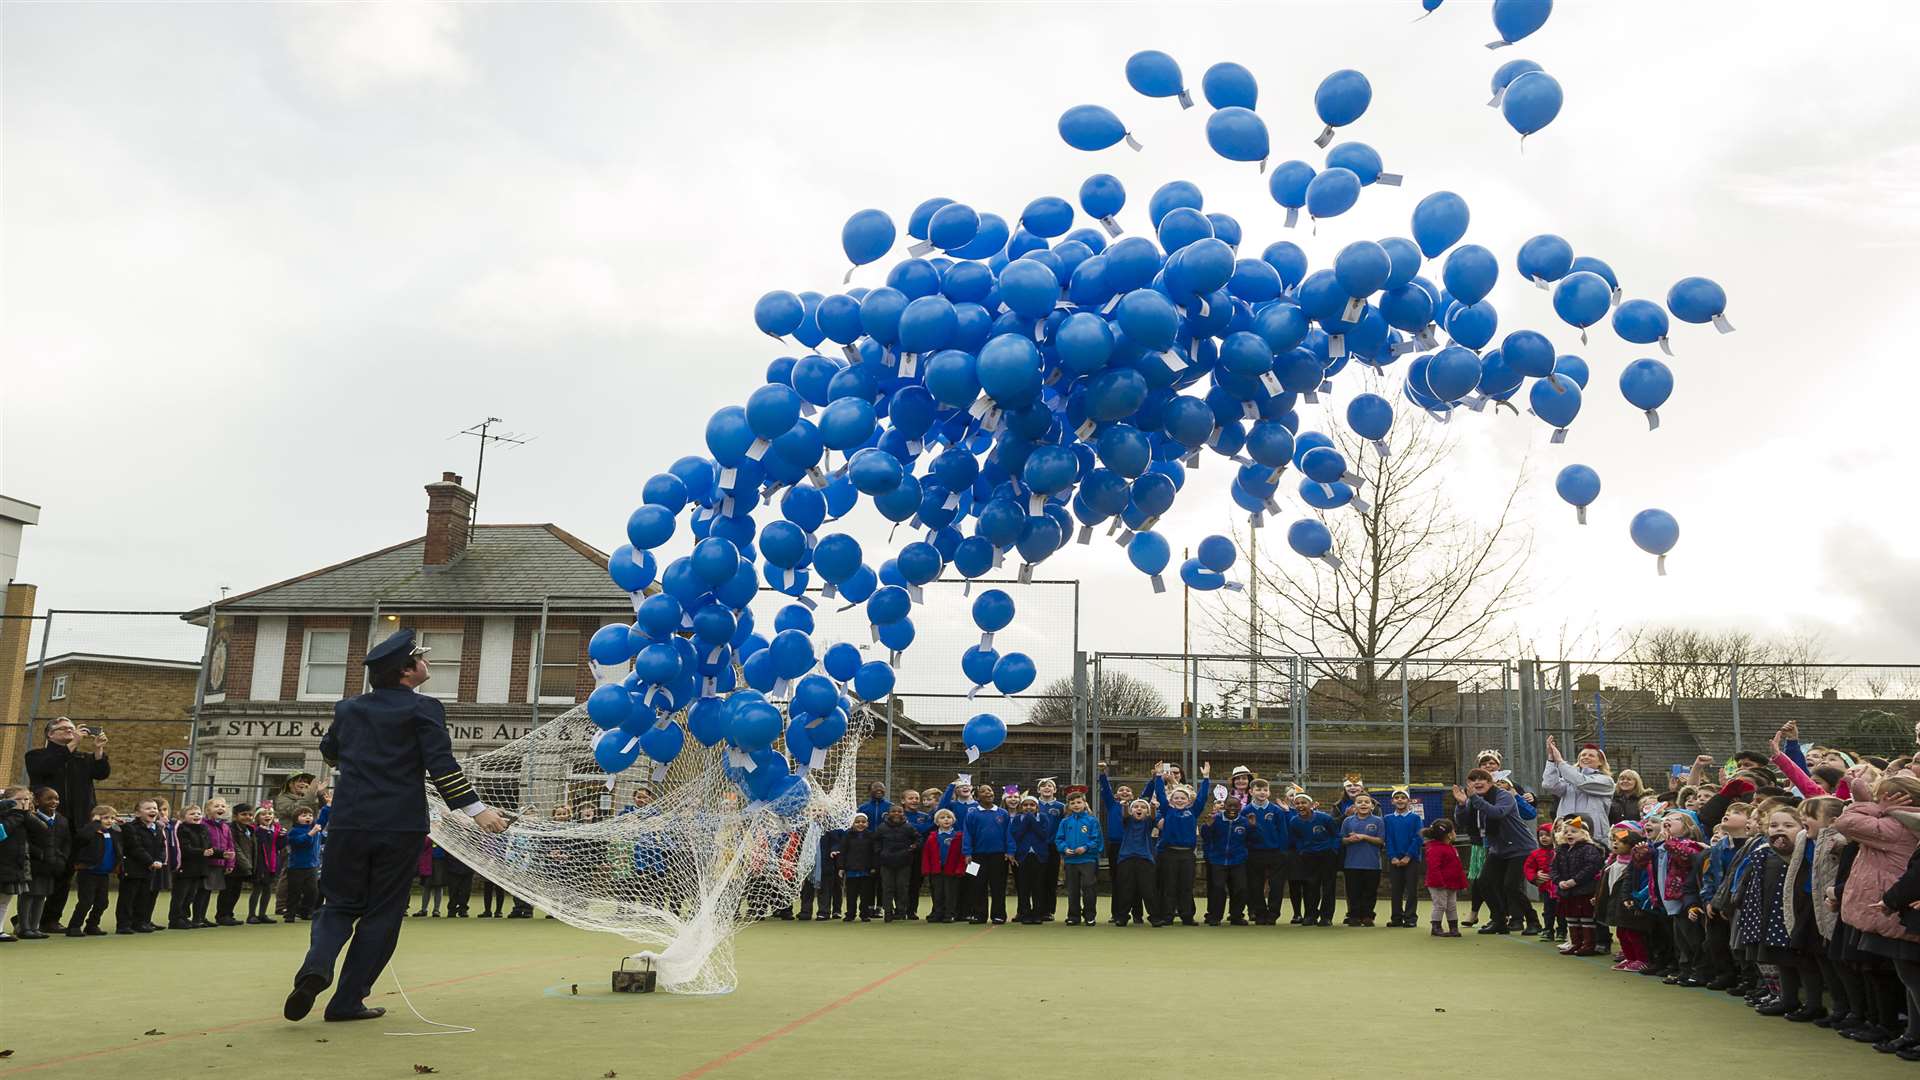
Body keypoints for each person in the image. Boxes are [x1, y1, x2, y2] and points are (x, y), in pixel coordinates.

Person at [284, 629, 508, 1025]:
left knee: (337, 905)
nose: (426, 662)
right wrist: (477, 810)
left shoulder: (348, 709)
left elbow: (330, 751)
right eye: (420, 658)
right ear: (406, 672)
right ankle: (346, 1001)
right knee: (382, 914)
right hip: (399, 824)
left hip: (349, 821)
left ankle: (314, 970)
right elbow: (441, 765)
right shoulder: (424, 709)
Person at [24, 717, 109, 930]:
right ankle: (26, 919)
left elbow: (101, 773)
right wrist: (72, 744)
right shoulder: (36, 756)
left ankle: (50, 918)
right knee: (44, 870)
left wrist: (98, 751)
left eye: (71, 729)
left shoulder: (81, 758)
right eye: (62, 729)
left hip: (79, 821)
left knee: (67, 871)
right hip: (48, 821)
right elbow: (47, 768)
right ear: (50, 735)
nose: (69, 731)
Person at [1453, 769, 1536, 935]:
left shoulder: (1503, 795)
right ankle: (1499, 920)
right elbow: (1463, 821)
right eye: (1473, 779)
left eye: (1482, 779)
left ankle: (1533, 921)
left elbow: (1497, 813)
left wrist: (1474, 799)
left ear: (1490, 782)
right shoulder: (1473, 800)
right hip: (1498, 849)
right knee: (1484, 882)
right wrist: (1462, 804)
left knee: (1510, 886)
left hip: (1520, 847)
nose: (1477, 782)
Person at [1144, 761, 1211, 927]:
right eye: (1176, 798)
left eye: (1183, 798)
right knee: (1169, 886)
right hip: (1169, 853)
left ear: (1188, 800)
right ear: (1171, 800)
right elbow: (1159, 793)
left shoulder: (1193, 811)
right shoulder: (1167, 810)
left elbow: (1202, 797)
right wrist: (1159, 776)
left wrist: (1206, 778)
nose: (1180, 800)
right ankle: (1167, 916)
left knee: (1186, 886)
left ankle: (1187, 916)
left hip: (1187, 854)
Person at [15, 787, 69, 939]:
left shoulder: (62, 820)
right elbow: (25, 840)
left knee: (41, 895)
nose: (54, 802)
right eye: (49, 799)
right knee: (28, 895)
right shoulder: (30, 818)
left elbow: (66, 843)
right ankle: (24, 927)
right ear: (37, 802)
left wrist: (60, 859)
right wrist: (40, 854)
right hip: (34, 864)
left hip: (50, 865)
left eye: (56, 799)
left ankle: (35, 927)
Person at [1549, 815, 1607, 957]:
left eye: (1574, 831)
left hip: (1584, 890)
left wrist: (1574, 881)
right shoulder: (1561, 850)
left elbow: (1591, 867)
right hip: (1566, 891)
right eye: (1566, 831)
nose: (1569, 834)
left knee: (1586, 917)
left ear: (1584, 834)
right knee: (1571, 916)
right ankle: (1575, 943)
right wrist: (1558, 881)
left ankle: (1588, 944)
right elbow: (1553, 868)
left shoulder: (1589, 849)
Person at [1542, 735, 1615, 842]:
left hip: (1593, 835)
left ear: (1600, 762)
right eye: (1583, 755)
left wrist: (1560, 762)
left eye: (1591, 755)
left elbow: (1581, 782)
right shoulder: (1569, 779)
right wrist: (1551, 760)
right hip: (1566, 833)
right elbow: (1549, 784)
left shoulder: (1606, 781)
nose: (1586, 757)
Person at [1096, 764, 1144, 925]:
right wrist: (1103, 773)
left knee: (1136, 880)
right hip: (1116, 847)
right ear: (1116, 795)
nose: (1124, 792)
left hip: (1133, 847)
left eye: (1128, 790)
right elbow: (1105, 788)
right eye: (1121, 790)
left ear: (1133, 795)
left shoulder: (1137, 807)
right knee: (1117, 880)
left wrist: (1155, 778)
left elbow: (1148, 793)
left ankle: (1137, 914)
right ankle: (1116, 913)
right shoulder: (1112, 804)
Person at [959, 784, 1010, 925]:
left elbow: (1008, 834)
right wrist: (967, 853)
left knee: (998, 886)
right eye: (983, 791)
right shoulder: (972, 814)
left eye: (990, 790)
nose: (988, 793)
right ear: (977, 796)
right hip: (976, 856)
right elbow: (967, 835)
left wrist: (1010, 851)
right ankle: (978, 915)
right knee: (976, 885)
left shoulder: (1003, 813)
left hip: (999, 856)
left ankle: (998, 915)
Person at [66, 804, 119, 936]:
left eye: (112, 818)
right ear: (95, 819)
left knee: (103, 902)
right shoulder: (90, 832)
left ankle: (92, 925)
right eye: (105, 818)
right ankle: (74, 926)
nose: (109, 821)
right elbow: (82, 838)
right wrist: (94, 823)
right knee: (86, 901)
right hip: (88, 872)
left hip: (104, 874)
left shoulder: (112, 833)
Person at [1242, 778, 1289, 926]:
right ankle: (1260, 912)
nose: (1262, 793)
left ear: (1269, 792)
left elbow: (1283, 832)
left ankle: (1273, 913)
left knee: (1276, 885)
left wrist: (1282, 851)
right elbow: (1243, 833)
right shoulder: (1245, 811)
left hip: (1275, 852)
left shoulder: (1276, 811)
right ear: (1251, 792)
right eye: (1258, 789)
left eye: (1265, 790)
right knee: (1255, 885)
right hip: (1254, 853)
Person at [1289, 792, 1340, 927]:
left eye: (1304, 803)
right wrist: (1302, 850)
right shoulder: (1294, 821)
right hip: (1308, 856)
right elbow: (1296, 838)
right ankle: (1310, 915)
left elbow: (1336, 835)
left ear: (1311, 805)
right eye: (1297, 803)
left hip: (1327, 855)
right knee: (1310, 886)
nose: (1301, 805)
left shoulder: (1325, 818)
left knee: (1328, 887)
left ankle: (1326, 917)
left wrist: (1333, 850)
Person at [116, 799, 165, 934]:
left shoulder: (158, 828)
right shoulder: (131, 828)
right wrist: (150, 861)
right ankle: (123, 924)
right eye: (148, 808)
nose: (153, 811)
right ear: (137, 813)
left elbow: (162, 847)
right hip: (132, 869)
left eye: (155, 808)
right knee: (128, 897)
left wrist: (160, 860)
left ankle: (139, 922)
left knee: (144, 897)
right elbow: (135, 848)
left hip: (149, 870)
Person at [1109, 797, 1160, 928]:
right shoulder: (1128, 820)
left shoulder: (1149, 821)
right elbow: (1125, 814)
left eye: (1143, 807)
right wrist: (1125, 806)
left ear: (1147, 812)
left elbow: (1154, 817)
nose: (1139, 809)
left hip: (1145, 859)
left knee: (1148, 890)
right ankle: (1122, 917)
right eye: (1136, 807)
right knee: (1125, 889)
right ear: (1131, 811)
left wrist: (1153, 807)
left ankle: (1154, 917)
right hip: (1126, 859)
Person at [1200, 794, 1249, 926]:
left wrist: (1254, 827)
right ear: (1224, 806)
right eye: (1229, 806)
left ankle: (1236, 916)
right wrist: (1207, 827)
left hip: (1238, 861)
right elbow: (1206, 838)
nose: (1232, 808)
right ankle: (1215, 916)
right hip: (1218, 860)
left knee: (1240, 888)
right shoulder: (1215, 820)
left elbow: (1251, 839)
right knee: (1217, 888)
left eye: (1235, 806)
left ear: (1240, 807)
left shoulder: (1245, 822)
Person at [1054, 792, 1100, 927]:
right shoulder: (1065, 822)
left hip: (1088, 860)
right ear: (1068, 805)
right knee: (1072, 889)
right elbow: (1059, 839)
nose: (1076, 805)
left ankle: (1089, 915)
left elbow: (1096, 840)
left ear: (1085, 804)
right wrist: (1064, 849)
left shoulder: (1092, 821)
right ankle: (1073, 916)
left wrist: (1086, 848)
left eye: (1079, 802)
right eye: (1072, 803)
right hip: (1070, 861)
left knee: (1088, 887)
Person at [1339, 793, 1386, 927]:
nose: (1363, 804)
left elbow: (1381, 841)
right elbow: (1342, 840)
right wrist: (1349, 839)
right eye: (1360, 802)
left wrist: (1364, 837)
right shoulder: (1348, 821)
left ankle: (1367, 916)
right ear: (1354, 806)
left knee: (1370, 892)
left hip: (1372, 864)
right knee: (1353, 892)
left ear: (1372, 806)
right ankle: (1354, 916)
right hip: (1351, 864)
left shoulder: (1378, 821)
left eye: (1367, 802)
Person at [0, 786, 40, 941]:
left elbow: (43, 832)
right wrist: (16, 815)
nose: (24, 802)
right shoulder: (8, 816)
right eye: (19, 799)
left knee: (4, 899)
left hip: (12, 864)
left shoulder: (26, 817)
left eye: (27, 799)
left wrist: (25, 815)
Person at [1383, 788, 1424, 928]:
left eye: (1403, 797)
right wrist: (1393, 856)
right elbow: (1388, 839)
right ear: (1392, 801)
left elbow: (1418, 837)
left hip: (1411, 859)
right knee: (1396, 889)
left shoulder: (1415, 818)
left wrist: (1408, 856)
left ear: (1408, 801)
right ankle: (1396, 918)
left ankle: (1410, 918)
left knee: (1412, 889)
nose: (1400, 800)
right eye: (1397, 798)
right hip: (1394, 859)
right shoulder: (1388, 819)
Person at [873, 806, 920, 922]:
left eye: (899, 811)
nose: (896, 813)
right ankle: (888, 912)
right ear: (888, 813)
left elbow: (918, 839)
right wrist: (880, 852)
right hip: (886, 862)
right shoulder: (882, 827)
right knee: (887, 888)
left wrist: (913, 848)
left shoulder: (908, 827)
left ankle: (901, 912)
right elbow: (875, 841)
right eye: (893, 811)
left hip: (904, 862)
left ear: (903, 814)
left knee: (902, 887)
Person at [920, 809, 966, 923]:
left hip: (952, 870)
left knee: (950, 893)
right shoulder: (932, 837)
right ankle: (938, 913)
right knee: (937, 892)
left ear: (953, 820)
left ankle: (950, 914)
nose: (946, 819)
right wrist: (926, 869)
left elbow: (962, 855)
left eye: (948, 817)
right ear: (937, 822)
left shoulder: (959, 836)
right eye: (942, 817)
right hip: (936, 870)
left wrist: (960, 868)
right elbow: (926, 854)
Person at [1009, 796, 1050, 925]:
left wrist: (1031, 820)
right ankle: (1025, 913)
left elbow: (1044, 835)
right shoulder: (1017, 819)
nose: (1028, 808)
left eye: (1032, 805)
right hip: (1023, 856)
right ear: (1021, 807)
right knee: (1023, 886)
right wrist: (1027, 820)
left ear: (1037, 807)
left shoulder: (1043, 818)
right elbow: (1017, 835)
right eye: (1025, 805)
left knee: (1038, 886)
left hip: (1039, 856)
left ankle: (1037, 913)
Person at [1423, 819, 1467, 937]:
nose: (1455, 833)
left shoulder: (1450, 847)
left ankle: (1454, 928)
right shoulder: (1435, 849)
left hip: (1451, 884)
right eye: (1454, 831)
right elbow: (1433, 868)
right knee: (1440, 905)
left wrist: (1462, 883)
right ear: (1449, 834)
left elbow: (1458, 867)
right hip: (1439, 884)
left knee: (1451, 905)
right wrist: (1438, 883)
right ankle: (1436, 927)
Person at [172, 804, 211, 929]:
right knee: (180, 895)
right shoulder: (182, 829)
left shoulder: (203, 829)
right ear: (183, 817)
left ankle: (184, 917)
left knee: (191, 895)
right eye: (192, 814)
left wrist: (222, 854)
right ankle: (175, 919)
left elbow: (208, 847)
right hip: (185, 868)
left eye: (198, 813)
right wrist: (201, 852)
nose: (196, 816)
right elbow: (185, 848)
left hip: (199, 869)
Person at [834, 813, 878, 921]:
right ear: (853, 823)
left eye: (863, 822)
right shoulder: (847, 835)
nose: (860, 824)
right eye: (857, 822)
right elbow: (842, 852)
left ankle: (864, 914)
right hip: (851, 870)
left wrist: (873, 866)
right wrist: (841, 867)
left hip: (866, 870)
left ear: (867, 823)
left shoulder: (871, 836)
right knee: (851, 895)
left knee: (865, 895)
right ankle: (850, 914)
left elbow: (874, 853)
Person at [285, 808, 322, 921]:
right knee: (294, 892)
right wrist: (311, 833)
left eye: (310, 815)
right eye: (304, 815)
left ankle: (306, 912)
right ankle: (290, 913)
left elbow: (323, 820)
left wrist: (327, 807)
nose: (308, 817)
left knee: (312, 891)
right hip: (296, 867)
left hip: (312, 866)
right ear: (296, 819)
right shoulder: (294, 831)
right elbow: (301, 842)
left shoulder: (315, 829)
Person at [1525, 823, 1560, 942]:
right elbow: (1528, 868)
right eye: (1541, 835)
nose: (1544, 838)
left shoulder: (1559, 852)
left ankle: (1562, 930)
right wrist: (1535, 877)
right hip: (1546, 888)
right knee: (1548, 910)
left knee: (1562, 911)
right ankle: (1548, 929)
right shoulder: (1535, 854)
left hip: (1559, 887)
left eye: (1547, 835)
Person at [250, 807, 284, 924]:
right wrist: (264, 831)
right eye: (263, 814)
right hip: (260, 863)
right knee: (257, 889)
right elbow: (261, 843)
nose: (267, 816)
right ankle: (251, 915)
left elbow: (279, 846)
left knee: (268, 889)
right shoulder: (255, 830)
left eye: (269, 814)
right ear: (257, 817)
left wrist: (283, 837)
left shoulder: (276, 830)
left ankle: (262, 914)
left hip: (272, 863)